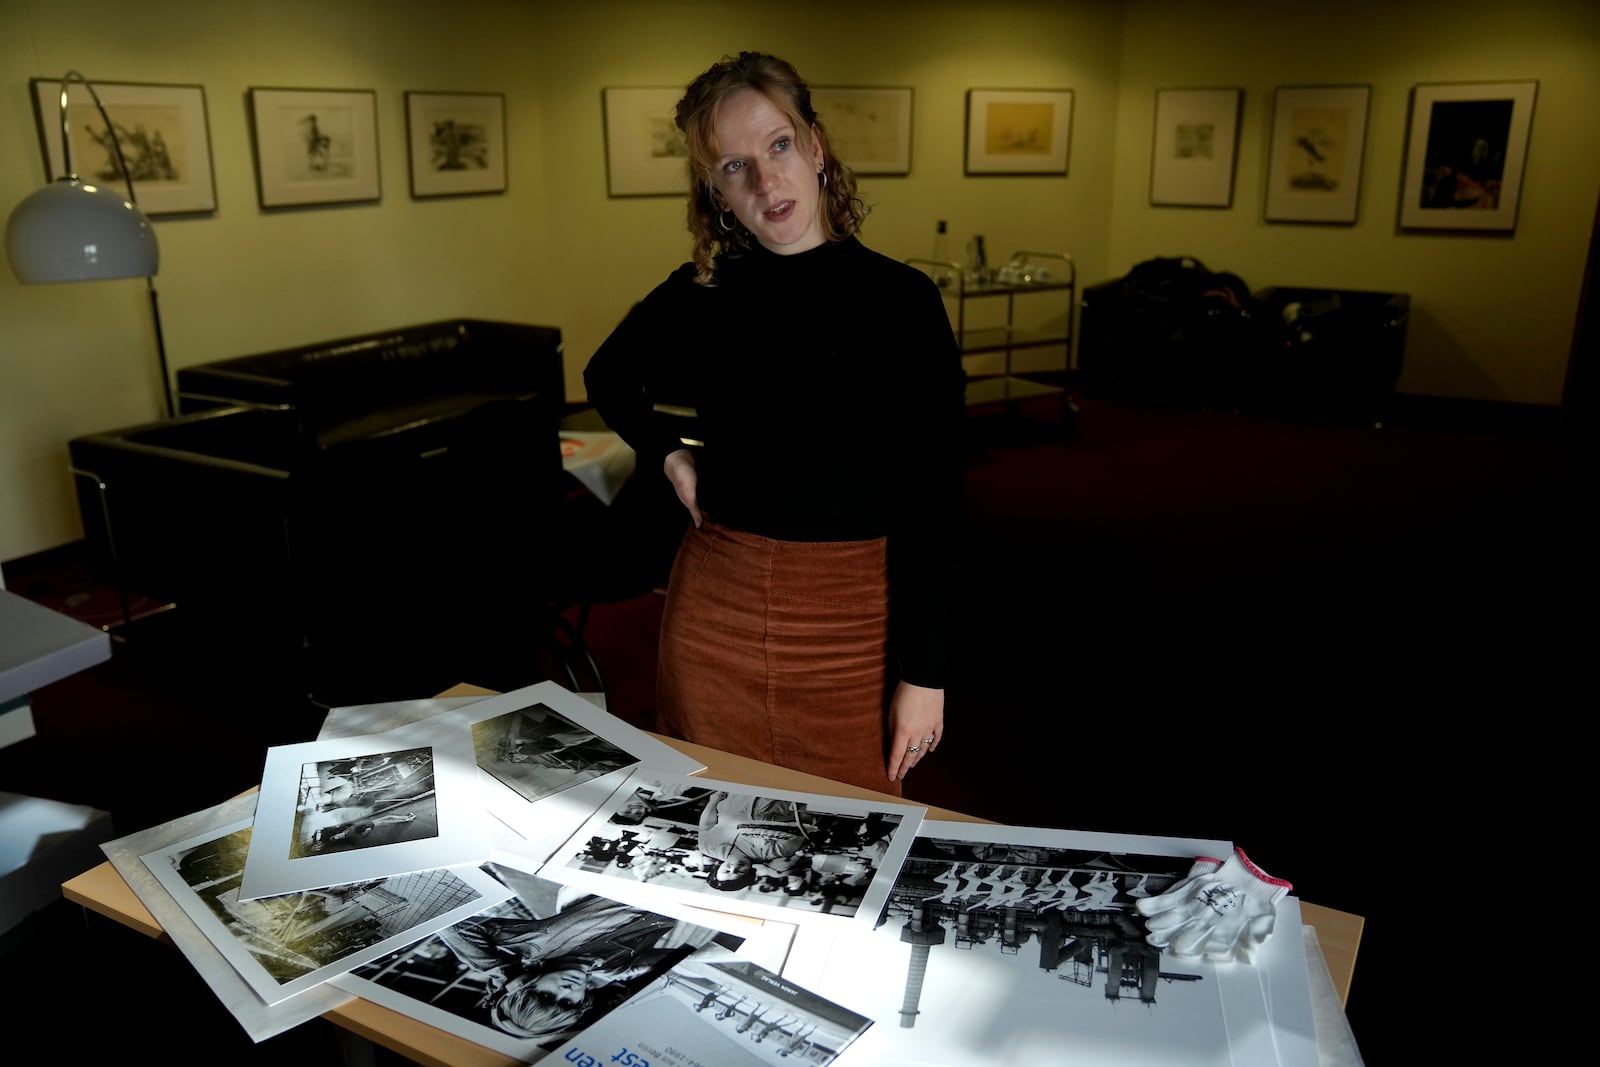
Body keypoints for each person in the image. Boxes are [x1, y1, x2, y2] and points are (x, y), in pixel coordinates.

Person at [583, 51, 964, 795]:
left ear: (816, 146)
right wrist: (667, 453)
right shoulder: (706, 291)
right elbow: (608, 375)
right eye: (733, 166)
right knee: (705, 823)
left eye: (778, 146)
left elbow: (939, 498)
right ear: (716, 192)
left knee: (849, 841)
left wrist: (928, 673)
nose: (764, 181)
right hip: (715, 608)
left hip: (855, 620)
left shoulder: (903, 301)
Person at [435, 893, 681, 1042]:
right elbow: (683, 959)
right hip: (691, 895)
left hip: (652, 875)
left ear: (523, 987)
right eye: (568, 1002)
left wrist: (504, 973)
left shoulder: (537, 944)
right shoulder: (613, 970)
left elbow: (451, 927)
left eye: (546, 994)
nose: (566, 990)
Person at [696, 790, 817, 892]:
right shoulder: (773, 853)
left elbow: (706, 825)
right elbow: (796, 834)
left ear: (718, 868)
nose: (734, 867)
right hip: (776, 799)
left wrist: (713, 801)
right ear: (749, 873)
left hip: (737, 796)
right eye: (739, 872)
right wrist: (746, 828)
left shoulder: (707, 847)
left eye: (727, 870)